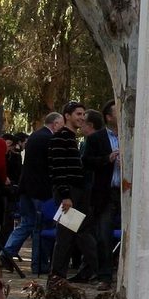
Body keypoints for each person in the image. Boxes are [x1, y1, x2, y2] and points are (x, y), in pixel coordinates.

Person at [0, 113, 61, 273]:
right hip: (41, 191)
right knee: (41, 227)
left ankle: (6, 253)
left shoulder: (34, 136)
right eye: (61, 124)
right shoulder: (49, 139)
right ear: (54, 124)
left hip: (26, 188)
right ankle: (39, 265)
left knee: (27, 223)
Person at [48, 101, 96, 282]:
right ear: (67, 116)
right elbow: (58, 168)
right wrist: (65, 195)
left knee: (80, 233)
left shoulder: (71, 138)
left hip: (78, 191)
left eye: (83, 114)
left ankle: (91, 270)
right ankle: (57, 276)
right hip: (70, 193)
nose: (81, 117)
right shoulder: (61, 137)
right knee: (66, 235)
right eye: (78, 114)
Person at [85, 101, 122, 285]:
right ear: (108, 116)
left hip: (126, 192)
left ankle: (126, 275)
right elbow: (87, 162)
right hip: (106, 193)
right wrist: (107, 159)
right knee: (104, 237)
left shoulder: (131, 136)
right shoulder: (95, 139)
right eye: (118, 110)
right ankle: (105, 277)